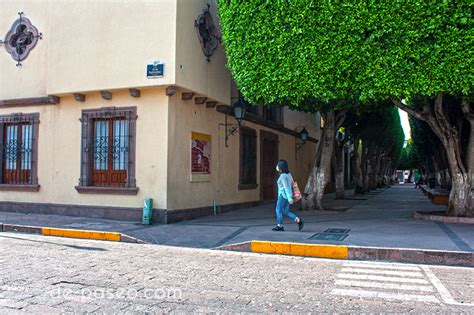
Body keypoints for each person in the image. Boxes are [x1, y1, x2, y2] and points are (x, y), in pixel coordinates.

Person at [272, 159, 304, 232]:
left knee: (278, 210)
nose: (277, 167)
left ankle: (279, 226)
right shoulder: (289, 174)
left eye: (278, 165)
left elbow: (286, 187)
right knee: (286, 211)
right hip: (287, 196)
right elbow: (292, 184)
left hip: (282, 196)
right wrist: (289, 197)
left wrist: (290, 198)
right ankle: (298, 220)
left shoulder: (283, 176)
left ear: (280, 167)